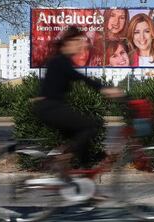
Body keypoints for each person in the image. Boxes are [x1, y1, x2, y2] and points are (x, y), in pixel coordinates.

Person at [32, 26, 122, 173]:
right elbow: (82, 78)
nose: (81, 45)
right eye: (77, 41)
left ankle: (82, 179)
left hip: (50, 108)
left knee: (80, 138)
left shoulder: (63, 61)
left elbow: (79, 77)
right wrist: (105, 89)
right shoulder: (60, 61)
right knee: (91, 125)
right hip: (50, 108)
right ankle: (73, 166)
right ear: (67, 42)